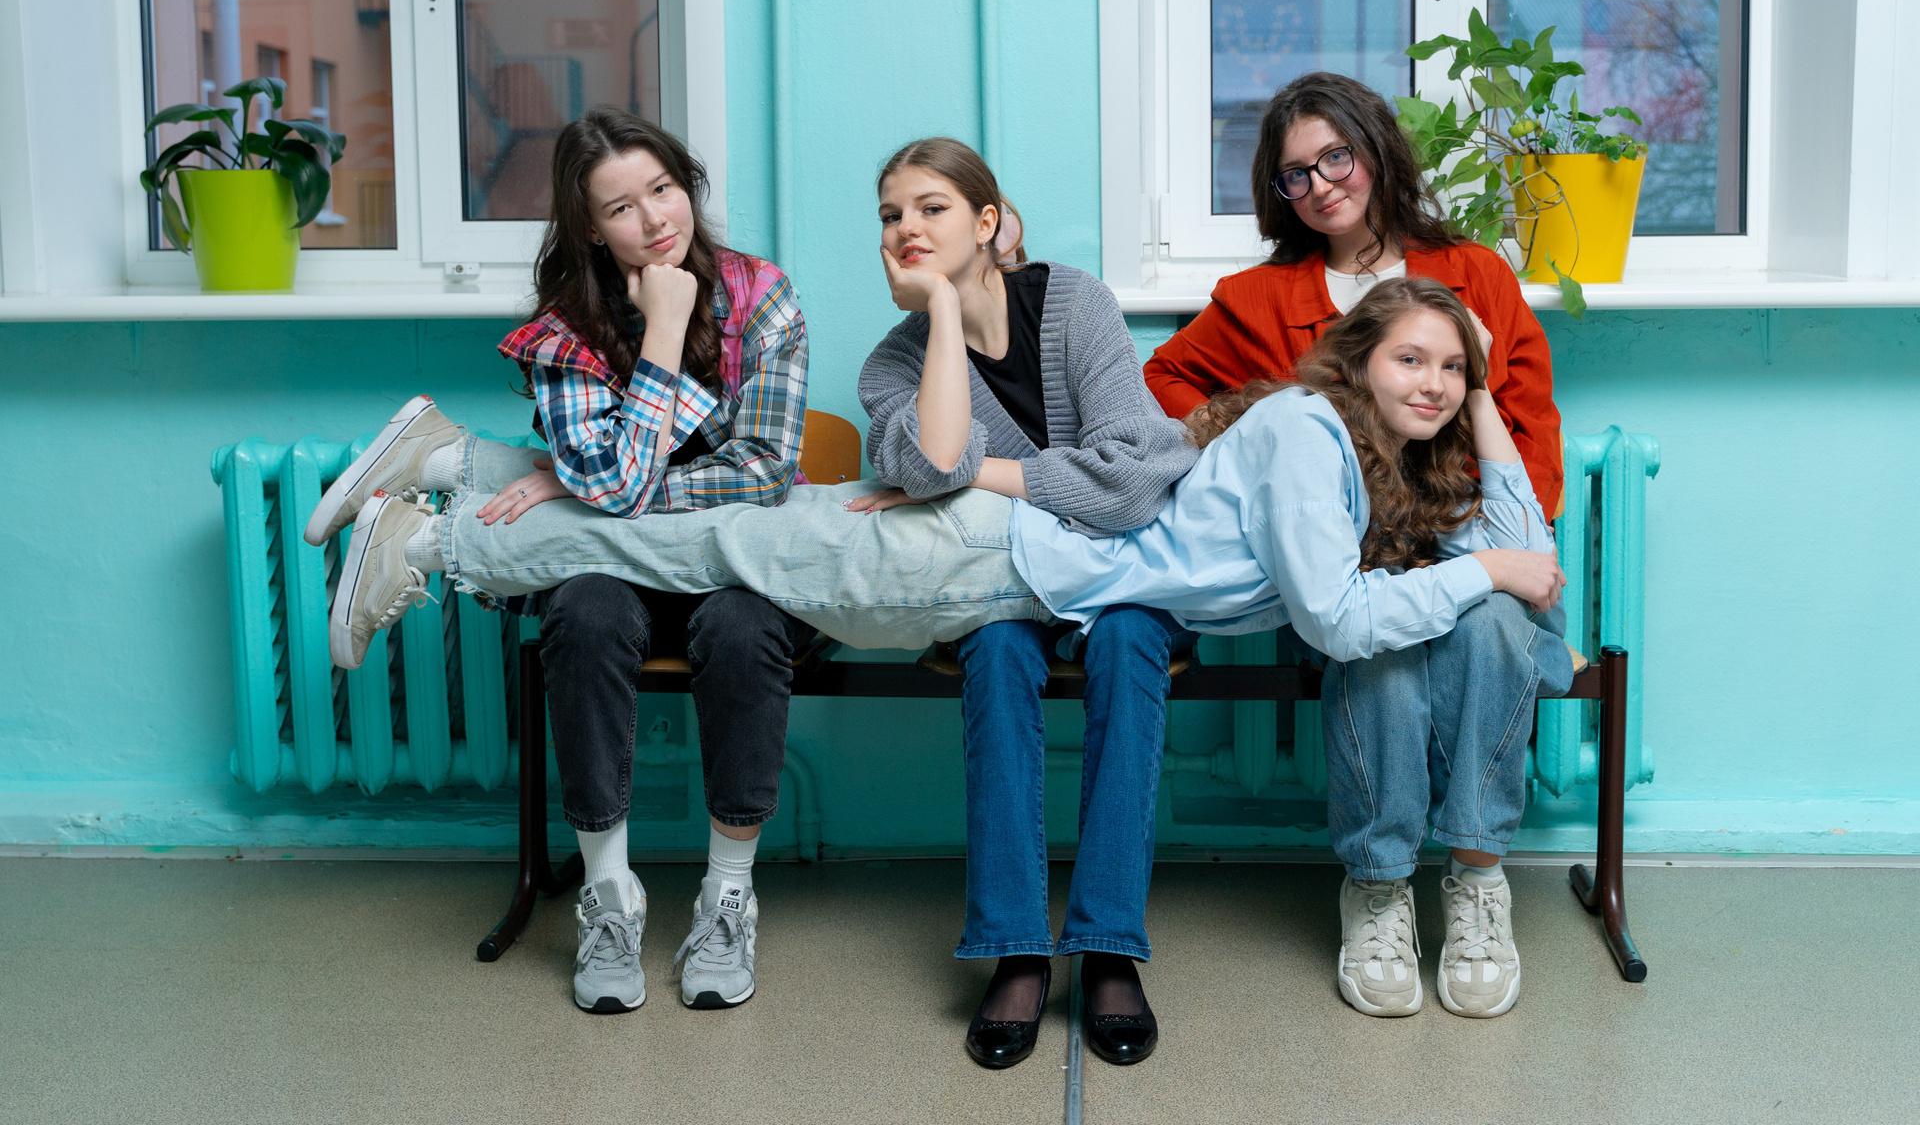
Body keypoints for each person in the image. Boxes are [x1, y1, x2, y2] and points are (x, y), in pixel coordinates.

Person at [328, 278, 1570, 1026]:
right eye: (1412, 358)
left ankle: (449, 461)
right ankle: (433, 536)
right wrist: (1489, 571)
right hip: (990, 555)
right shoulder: (1308, 429)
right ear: (1356, 361)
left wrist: (1484, 414)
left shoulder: (1377, 453)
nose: (1432, 380)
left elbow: (1530, 555)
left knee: (716, 530)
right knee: (711, 541)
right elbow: (1341, 617)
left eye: (1451, 367)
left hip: (1012, 561)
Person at [307, 108, 810, 1016]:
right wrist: (662, 336)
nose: (653, 220)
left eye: (663, 190)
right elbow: (618, 484)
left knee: (743, 626)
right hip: (611, 574)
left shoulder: (759, 294)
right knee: (584, 613)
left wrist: (577, 486)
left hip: (734, 565)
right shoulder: (566, 330)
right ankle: (609, 898)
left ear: (687, 186)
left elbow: (765, 472)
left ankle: (727, 898)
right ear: (590, 228)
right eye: (621, 208)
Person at [851, 138, 1198, 1068]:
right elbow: (932, 463)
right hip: (1004, 583)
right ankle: (1014, 946)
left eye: (931, 207)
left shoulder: (1075, 303)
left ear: (988, 222)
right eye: (890, 215)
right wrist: (938, 310)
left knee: (1129, 642)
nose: (907, 227)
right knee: (998, 648)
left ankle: (1108, 945)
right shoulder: (891, 367)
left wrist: (983, 476)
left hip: (1129, 574)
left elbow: (1131, 485)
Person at [1143, 71, 1564, 518]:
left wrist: (1523, 531)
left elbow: (1534, 425)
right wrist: (1244, 445)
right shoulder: (1255, 297)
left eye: (1335, 157)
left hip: (1470, 523)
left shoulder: (1479, 273)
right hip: (1333, 532)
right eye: (1296, 174)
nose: (1320, 186)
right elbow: (1159, 377)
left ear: (1377, 148)